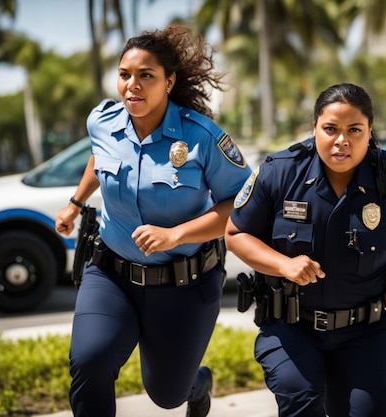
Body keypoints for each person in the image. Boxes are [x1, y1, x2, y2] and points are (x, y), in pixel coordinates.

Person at [225, 82, 386, 417]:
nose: (341, 141)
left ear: (370, 131)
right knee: (301, 404)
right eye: (330, 129)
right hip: (292, 327)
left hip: (371, 330)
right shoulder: (280, 171)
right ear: (315, 127)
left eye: (354, 130)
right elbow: (236, 233)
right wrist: (283, 265)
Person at [54, 25, 252, 417]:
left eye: (146, 76)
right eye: (125, 75)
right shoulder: (103, 121)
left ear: (169, 81)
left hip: (185, 283)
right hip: (111, 275)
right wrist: (76, 202)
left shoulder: (202, 137)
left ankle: (198, 385)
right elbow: (102, 156)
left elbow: (242, 203)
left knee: (167, 394)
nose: (133, 85)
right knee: (89, 361)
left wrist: (175, 234)